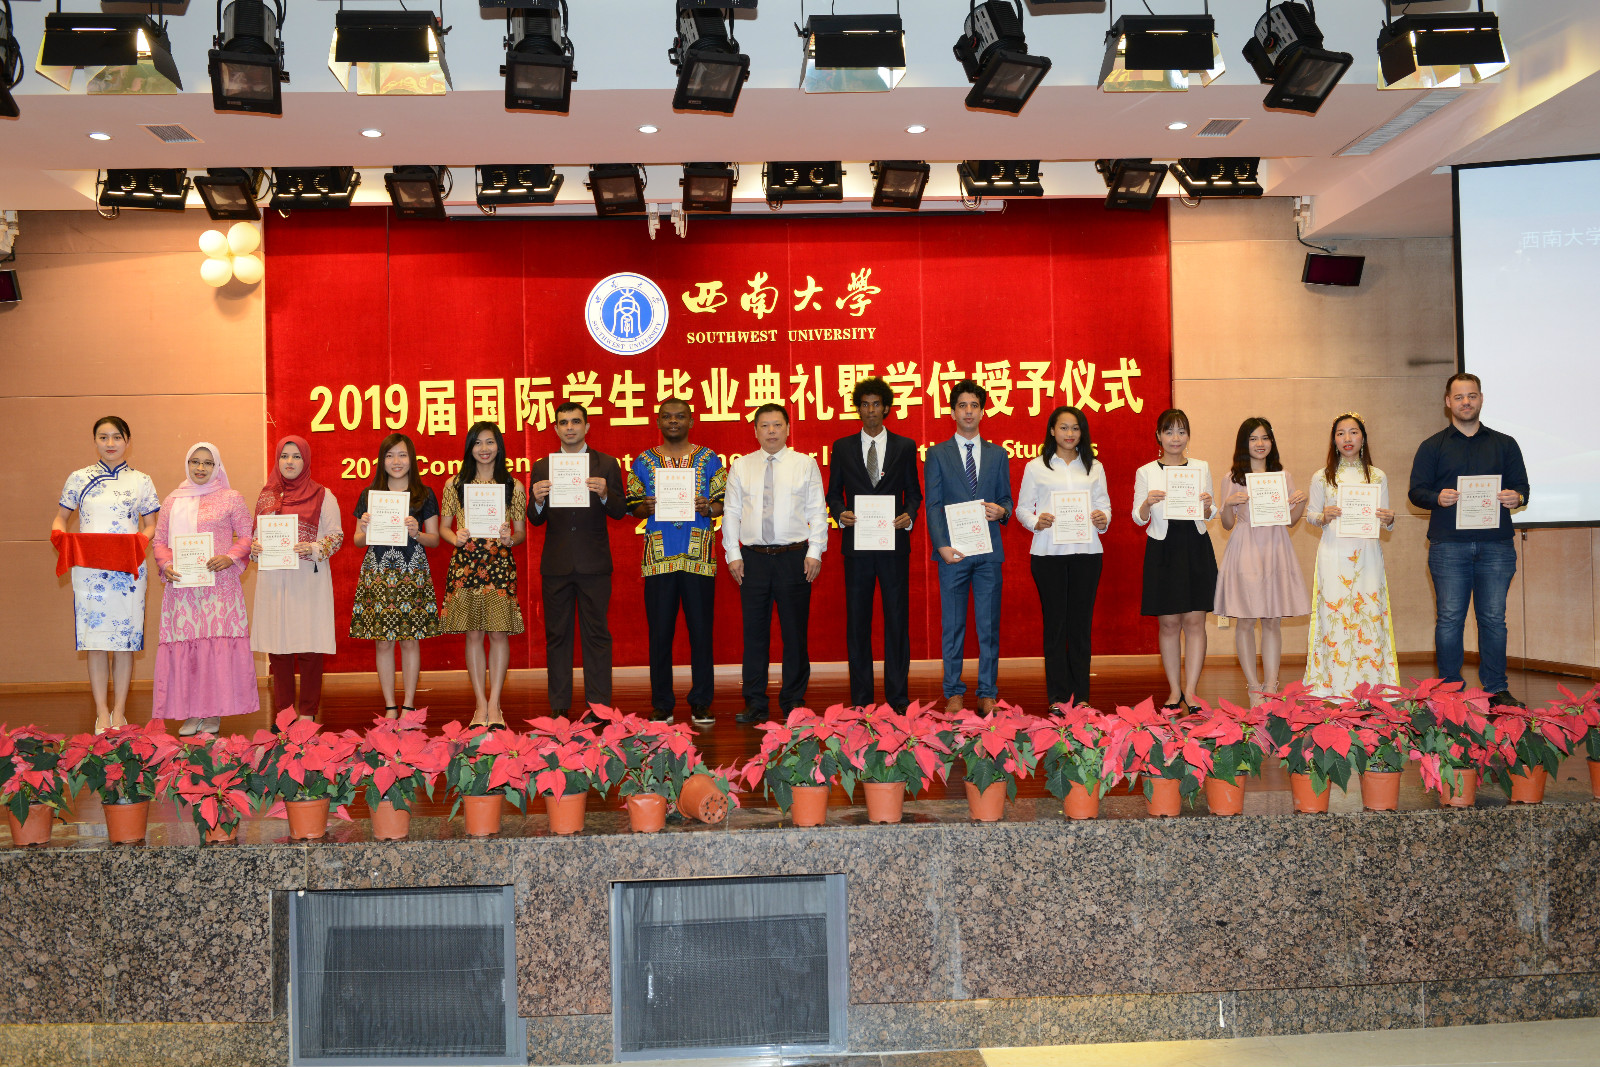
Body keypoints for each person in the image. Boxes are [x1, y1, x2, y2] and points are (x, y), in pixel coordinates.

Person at [1408, 372, 1530, 707]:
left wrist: (1516, 497)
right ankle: (1449, 691)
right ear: (1448, 402)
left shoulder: (1505, 444)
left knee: (1493, 620)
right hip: (1448, 546)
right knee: (1450, 619)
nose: (1466, 402)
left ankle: (1496, 690)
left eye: (1472, 396)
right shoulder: (1432, 446)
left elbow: (1523, 488)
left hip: (1496, 546)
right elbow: (1416, 492)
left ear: (1481, 399)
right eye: (1459, 397)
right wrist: (1437, 497)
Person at [52, 416, 161, 732]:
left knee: (125, 642)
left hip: (128, 570)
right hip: (90, 571)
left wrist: (140, 541)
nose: (110, 443)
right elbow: (61, 518)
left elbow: (151, 524)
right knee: (96, 641)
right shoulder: (79, 478)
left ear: (128, 441)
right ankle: (101, 712)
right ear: (95, 441)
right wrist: (58, 535)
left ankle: (119, 712)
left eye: (117, 437)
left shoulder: (141, 480)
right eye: (103, 437)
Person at [722, 404, 828, 724]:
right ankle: (755, 701)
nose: (771, 431)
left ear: (787, 429)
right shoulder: (741, 466)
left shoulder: (804, 464)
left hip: (794, 558)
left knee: (794, 634)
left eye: (777, 425)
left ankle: (793, 700)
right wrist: (733, 554)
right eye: (765, 425)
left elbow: (817, 511)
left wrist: (815, 551)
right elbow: (731, 512)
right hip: (752, 559)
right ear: (755, 431)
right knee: (755, 634)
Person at [626, 399, 726, 725]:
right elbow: (632, 505)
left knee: (702, 633)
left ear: (691, 421)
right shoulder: (644, 461)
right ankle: (662, 703)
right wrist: (645, 507)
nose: (673, 421)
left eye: (680, 416)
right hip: (659, 557)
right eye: (667, 417)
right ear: (658, 421)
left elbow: (723, 501)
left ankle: (701, 702)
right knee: (659, 634)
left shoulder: (708, 459)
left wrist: (708, 506)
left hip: (698, 556)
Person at [825, 377, 922, 712]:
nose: (870, 410)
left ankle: (898, 698)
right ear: (858, 409)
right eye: (864, 404)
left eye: (876, 404)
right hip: (858, 547)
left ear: (886, 408)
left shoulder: (905, 446)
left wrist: (909, 516)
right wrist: (840, 513)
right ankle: (862, 699)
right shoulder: (842, 447)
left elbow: (914, 493)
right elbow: (833, 493)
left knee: (897, 622)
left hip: (893, 546)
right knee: (858, 624)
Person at [151, 443, 257, 735]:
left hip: (219, 587)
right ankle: (191, 712)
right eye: (195, 462)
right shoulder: (172, 500)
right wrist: (166, 564)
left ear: (217, 467)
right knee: (189, 648)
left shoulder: (231, 498)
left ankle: (213, 713)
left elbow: (247, 536)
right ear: (187, 464)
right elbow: (159, 541)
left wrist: (230, 556)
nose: (200, 468)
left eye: (208, 463)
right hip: (183, 587)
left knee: (214, 648)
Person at [529, 403, 627, 718]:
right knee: (557, 636)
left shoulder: (606, 464)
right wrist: (537, 500)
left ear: (586, 427)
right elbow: (534, 518)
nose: (569, 427)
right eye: (563, 422)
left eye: (575, 422)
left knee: (596, 634)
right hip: (556, 564)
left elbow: (619, 510)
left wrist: (605, 494)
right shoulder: (543, 466)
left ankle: (599, 706)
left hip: (594, 563)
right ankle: (559, 707)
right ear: (555, 428)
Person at [924, 379, 1013, 715]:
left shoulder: (998, 454)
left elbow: (1006, 498)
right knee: (953, 626)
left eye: (974, 405)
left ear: (983, 411)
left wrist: (1002, 511)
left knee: (988, 626)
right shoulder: (937, 454)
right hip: (954, 553)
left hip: (988, 553)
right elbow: (933, 505)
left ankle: (987, 692)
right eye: (962, 405)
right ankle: (954, 692)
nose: (968, 411)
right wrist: (941, 546)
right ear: (952, 412)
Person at [1015, 406, 1110, 709]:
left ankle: (1081, 697)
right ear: (1052, 431)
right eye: (1064, 427)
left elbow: (1105, 506)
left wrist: (1102, 519)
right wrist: (1036, 521)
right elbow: (1022, 508)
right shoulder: (1036, 467)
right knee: (1055, 627)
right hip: (1048, 555)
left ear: (1083, 433)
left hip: (1087, 553)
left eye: (1076, 428)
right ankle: (1057, 697)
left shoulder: (1094, 467)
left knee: (1080, 627)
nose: (1070, 433)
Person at [1214, 418, 1310, 706]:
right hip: (1245, 548)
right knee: (1245, 619)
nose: (1260, 443)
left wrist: (1301, 503)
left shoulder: (1283, 476)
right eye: (1253, 438)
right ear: (1244, 443)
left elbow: (1290, 521)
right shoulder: (1232, 477)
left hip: (1276, 548)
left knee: (1272, 620)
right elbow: (1227, 524)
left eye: (1265, 438)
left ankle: (1271, 685)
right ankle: (1254, 687)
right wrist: (1228, 505)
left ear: (1272, 442)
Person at [438, 421, 527, 728]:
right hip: (466, 565)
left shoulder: (513, 486)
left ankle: (495, 706)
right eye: (478, 443)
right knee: (473, 634)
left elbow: (520, 533)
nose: (484, 449)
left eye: (490, 442)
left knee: (499, 633)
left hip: (499, 565)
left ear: (499, 446)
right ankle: (479, 705)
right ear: (469, 448)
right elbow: (443, 528)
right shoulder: (454, 484)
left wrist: (509, 539)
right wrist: (456, 537)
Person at [250, 435, 343, 723]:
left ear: (306, 460)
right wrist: (255, 549)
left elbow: (336, 537)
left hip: (308, 579)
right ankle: (284, 712)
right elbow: (255, 539)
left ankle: (308, 713)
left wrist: (313, 548)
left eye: (296, 456)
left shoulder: (323, 495)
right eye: (284, 456)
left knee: (309, 647)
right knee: (278, 649)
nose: (289, 462)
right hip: (274, 580)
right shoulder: (267, 496)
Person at [1304, 412, 1398, 695]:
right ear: (1334, 440)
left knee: (1368, 614)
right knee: (1335, 616)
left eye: (1354, 432)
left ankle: (1372, 685)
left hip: (1367, 554)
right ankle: (1332, 686)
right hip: (1333, 554)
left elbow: (1386, 521)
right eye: (1341, 433)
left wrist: (1389, 518)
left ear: (1363, 438)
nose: (1347, 438)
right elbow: (1310, 516)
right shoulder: (1322, 477)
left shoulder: (1377, 476)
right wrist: (1323, 515)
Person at [350, 433, 441, 718]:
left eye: (402, 455)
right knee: (383, 640)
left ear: (412, 459)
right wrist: (365, 529)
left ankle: (409, 705)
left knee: (410, 640)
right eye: (389, 456)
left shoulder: (425, 494)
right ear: (382, 461)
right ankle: (390, 706)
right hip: (378, 573)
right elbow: (357, 541)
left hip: (412, 572)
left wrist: (417, 532)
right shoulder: (369, 495)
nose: (396, 461)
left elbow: (435, 540)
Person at [1132, 408, 1217, 710]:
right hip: (1163, 548)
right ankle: (1174, 691)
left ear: (1188, 436)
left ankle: (1191, 691)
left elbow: (1211, 513)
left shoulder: (1201, 467)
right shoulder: (1146, 472)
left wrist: (1207, 505)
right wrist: (1147, 503)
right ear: (1159, 435)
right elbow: (1138, 517)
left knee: (1195, 621)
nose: (1175, 438)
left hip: (1195, 546)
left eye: (1181, 431)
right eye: (1169, 432)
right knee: (1168, 624)